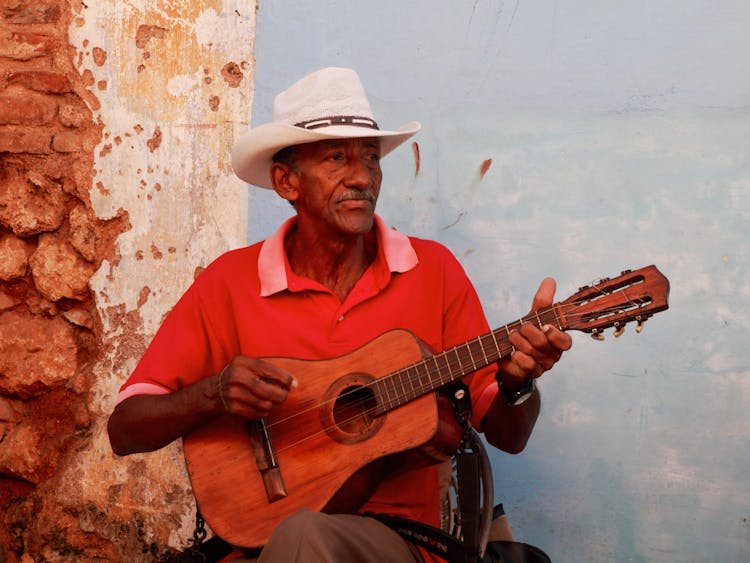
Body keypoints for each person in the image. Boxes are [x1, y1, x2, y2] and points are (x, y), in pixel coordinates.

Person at [107, 67, 572, 563]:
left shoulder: (432, 271)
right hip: (254, 546)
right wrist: (213, 393)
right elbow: (126, 429)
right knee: (297, 536)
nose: (362, 176)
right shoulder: (229, 282)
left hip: (400, 544)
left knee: (305, 536)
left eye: (371, 158)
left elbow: (508, 435)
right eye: (336, 158)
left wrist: (519, 382)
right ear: (287, 181)